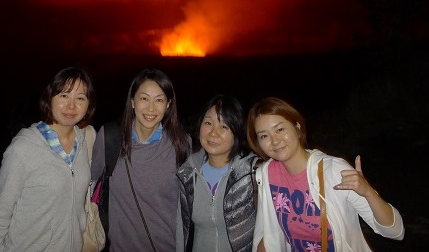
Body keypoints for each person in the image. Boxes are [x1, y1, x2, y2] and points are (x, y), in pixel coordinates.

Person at [246, 97, 405, 252]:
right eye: (264, 136)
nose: (274, 141)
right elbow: (270, 232)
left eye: (280, 129)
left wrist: (369, 192)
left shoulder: (333, 170)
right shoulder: (266, 174)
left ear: (297, 126)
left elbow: (395, 232)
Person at [0, 66, 97, 252]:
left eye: (80, 98)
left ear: (88, 104)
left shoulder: (87, 140)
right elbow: (0, 216)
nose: (71, 106)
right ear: (49, 97)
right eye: (63, 95)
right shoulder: (23, 150)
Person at [91, 68, 191, 251]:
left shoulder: (181, 145)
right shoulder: (110, 139)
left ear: (168, 105)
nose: (151, 108)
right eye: (144, 98)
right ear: (132, 101)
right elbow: (88, 185)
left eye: (159, 100)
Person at [176, 94, 260, 252]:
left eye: (224, 126)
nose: (213, 133)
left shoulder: (253, 172)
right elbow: (181, 230)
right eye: (208, 123)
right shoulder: (187, 172)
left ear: (237, 132)